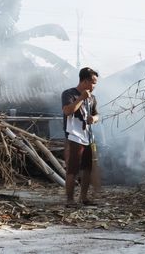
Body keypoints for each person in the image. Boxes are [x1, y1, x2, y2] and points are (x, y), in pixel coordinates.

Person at [61, 67, 99, 207]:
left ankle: (83, 198)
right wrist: (82, 98)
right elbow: (67, 111)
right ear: (84, 81)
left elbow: (97, 115)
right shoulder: (69, 93)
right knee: (72, 169)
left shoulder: (93, 98)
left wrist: (93, 119)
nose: (94, 86)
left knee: (87, 168)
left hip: (88, 136)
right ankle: (70, 200)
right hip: (74, 136)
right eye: (93, 82)